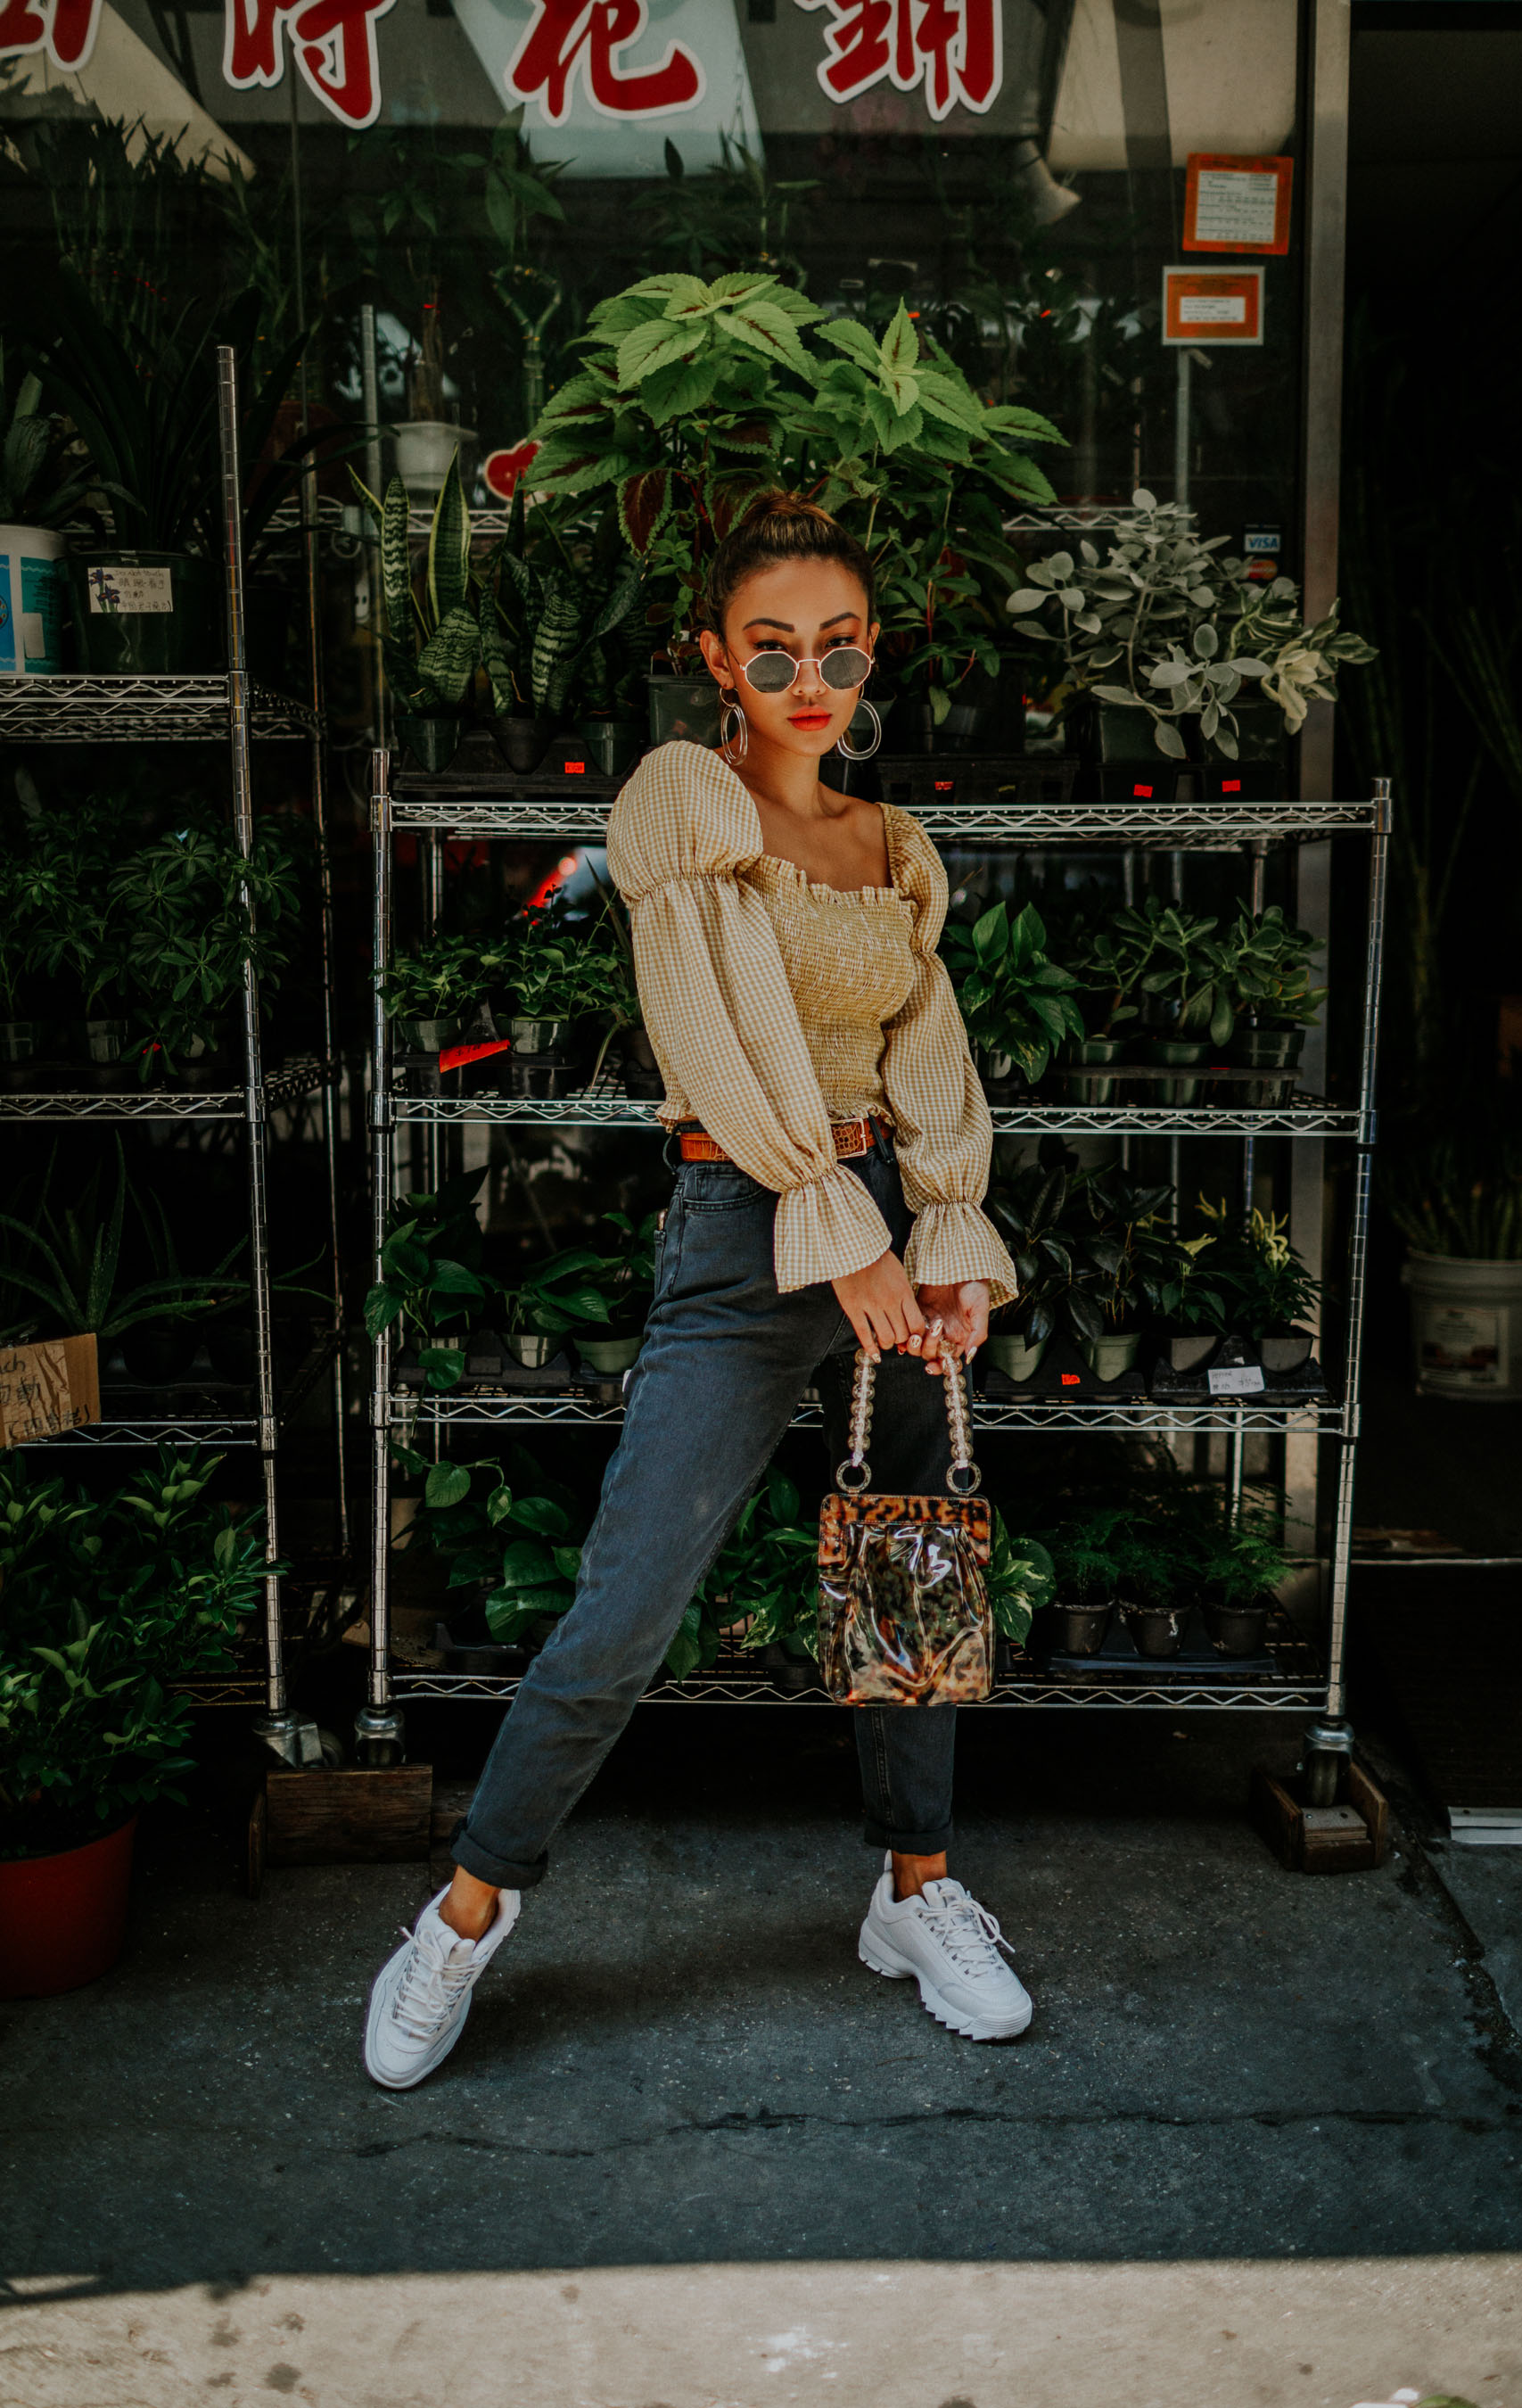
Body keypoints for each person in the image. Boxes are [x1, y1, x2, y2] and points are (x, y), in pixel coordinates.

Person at [363, 493, 1032, 2091]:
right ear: (718, 662)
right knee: (628, 1601)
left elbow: (929, 1055)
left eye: (843, 648)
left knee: (916, 1578)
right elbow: (713, 1041)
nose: (815, 678)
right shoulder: (687, 802)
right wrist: (838, 1226)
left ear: (872, 659)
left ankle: (915, 1896)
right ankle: (460, 1916)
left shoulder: (894, 846)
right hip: (748, 1224)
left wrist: (940, 1237)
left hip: (883, 1215)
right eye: (776, 648)